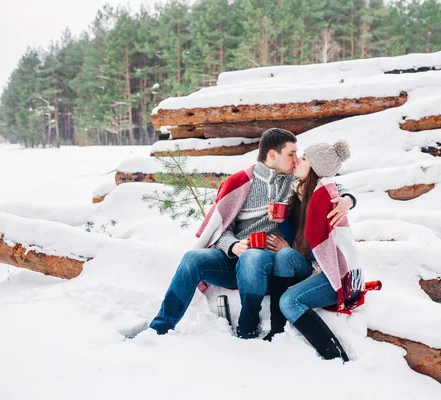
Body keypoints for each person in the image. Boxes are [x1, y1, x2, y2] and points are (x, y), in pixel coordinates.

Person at [147, 128, 356, 339]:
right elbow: (220, 228)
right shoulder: (240, 183)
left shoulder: (292, 183)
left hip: (271, 264)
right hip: (235, 259)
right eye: (291, 154)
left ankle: (248, 324)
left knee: (253, 256)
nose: (295, 159)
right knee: (192, 259)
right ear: (273, 155)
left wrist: (347, 199)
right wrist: (232, 245)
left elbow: (326, 181)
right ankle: (160, 327)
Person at [264, 139, 364, 361]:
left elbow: (337, 189)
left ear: (316, 168)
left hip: (336, 275)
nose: (298, 159)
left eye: (305, 158)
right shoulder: (302, 193)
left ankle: (336, 356)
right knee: (285, 255)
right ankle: (276, 330)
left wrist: (348, 200)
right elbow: (307, 246)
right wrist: (281, 221)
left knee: (289, 301)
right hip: (316, 266)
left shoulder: (325, 196)